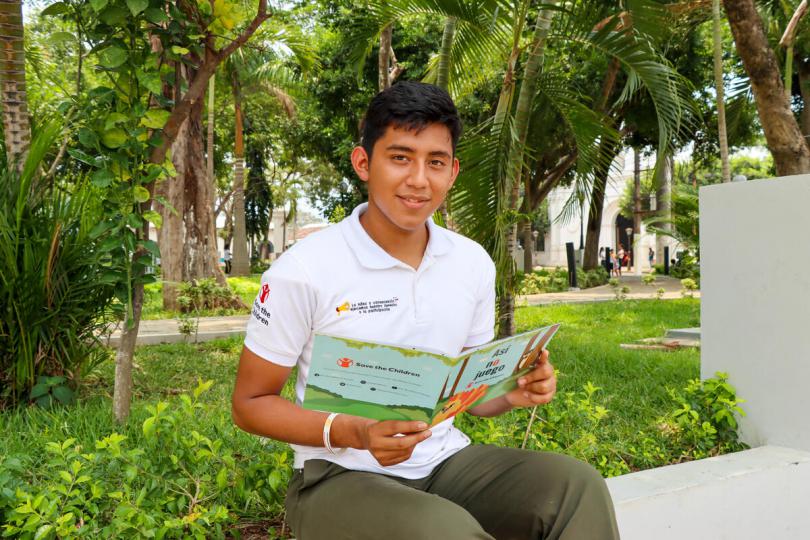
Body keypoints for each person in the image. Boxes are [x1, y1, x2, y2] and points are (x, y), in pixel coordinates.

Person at [231, 82, 619, 540]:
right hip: (337, 477)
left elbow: (470, 395)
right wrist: (354, 431)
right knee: (442, 530)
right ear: (363, 163)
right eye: (400, 157)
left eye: (435, 162)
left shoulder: (470, 261)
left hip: (446, 462)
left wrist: (512, 389)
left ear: (452, 171)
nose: (419, 179)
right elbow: (249, 404)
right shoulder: (304, 269)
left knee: (576, 487)